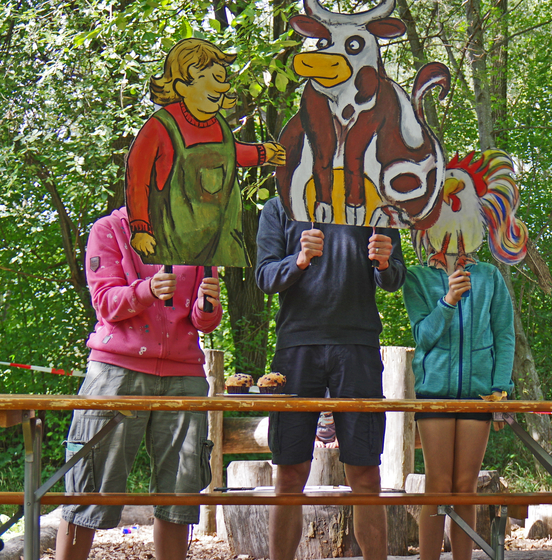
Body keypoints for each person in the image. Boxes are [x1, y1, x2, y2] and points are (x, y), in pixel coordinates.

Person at [56, 207, 222, 560]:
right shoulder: (109, 229)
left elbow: (203, 321)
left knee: (179, 495)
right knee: (88, 488)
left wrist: (208, 306)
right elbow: (104, 302)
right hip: (116, 370)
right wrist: (146, 290)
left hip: (183, 372)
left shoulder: (196, 232)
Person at [255, 196, 405, 560]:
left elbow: (394, 277)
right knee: (289, 474)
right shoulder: (281, 204)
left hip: (358, 346)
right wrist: (300, 261)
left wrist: (384, 263)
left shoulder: (376, 205)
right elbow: (264, 276)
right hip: (296, 347)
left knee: (367, 475)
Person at [127, 38, 285, 266]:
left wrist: (263, 153)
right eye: (206, 79)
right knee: (172, 289)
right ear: (181, 86)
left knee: (210, 291)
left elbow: (233, 153)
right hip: (175, 243)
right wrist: (140, 227)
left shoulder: (218, 124)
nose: (219, 88)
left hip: (221, 237)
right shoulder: (160, 126)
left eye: (220, 79)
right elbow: (137, 176)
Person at [403, 261, 515, 560]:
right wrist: (449, 300)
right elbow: (423, 337)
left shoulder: (489, 275)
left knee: (466, 486)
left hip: (479, 393)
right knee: (438, 484)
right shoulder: (416, 276)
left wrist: (501, 388)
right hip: (434, 392)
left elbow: (504, 333)